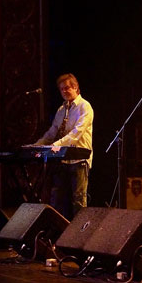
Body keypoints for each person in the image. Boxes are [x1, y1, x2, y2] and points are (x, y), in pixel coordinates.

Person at [35, 73, 93, 220]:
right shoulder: (62, 110)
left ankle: (79, 236)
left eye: (67, 88)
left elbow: (76, 134)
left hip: (79, 160)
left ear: (76, 88)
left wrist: (55, 145)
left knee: (78, 200)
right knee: (58, 199)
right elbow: (52, 132)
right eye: (61, 89)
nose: (64, 91)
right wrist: (37, 145)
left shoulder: (84, 107)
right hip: (63, 159)